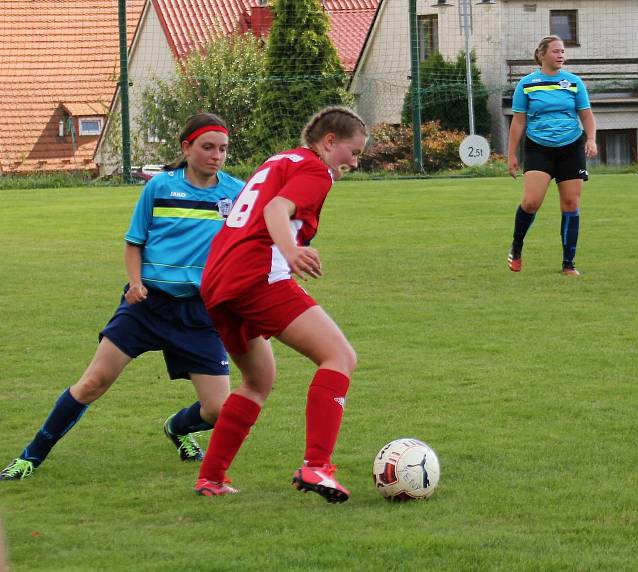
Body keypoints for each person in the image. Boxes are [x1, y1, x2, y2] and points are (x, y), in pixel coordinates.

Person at [0, 113, 244, 481]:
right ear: (186, 147)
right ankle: (29, 457)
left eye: (223, 149)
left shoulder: (236, 193)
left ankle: (178, 428)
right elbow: (135, 243)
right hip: (146, 305)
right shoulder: (160, 187)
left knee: (219, 409)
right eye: (208, 147)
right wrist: (135, 283)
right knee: (93, 382)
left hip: (199, 313)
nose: (216, 155)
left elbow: (253, 244)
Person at [192, 106, 368, 502]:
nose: (354, 162)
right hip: (256, 275)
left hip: (218, 280)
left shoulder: (280, 159)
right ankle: (317, 466)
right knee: (340, 356)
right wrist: (290, 251)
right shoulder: (315, 170)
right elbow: (275, 210)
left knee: (258, 381)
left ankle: (211, 478)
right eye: (352, 152)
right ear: (329, 142)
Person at [506, 35, 598, 275]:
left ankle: (569, 264)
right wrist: (511, 154)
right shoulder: (526, 84)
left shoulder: (574, 82)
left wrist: (591, 139)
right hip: (539, 148)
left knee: (570, 204)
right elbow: (518, 122)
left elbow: (586, 115)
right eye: (556, 51)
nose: (561, 55)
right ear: (542, 54)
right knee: (531, 202)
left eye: (563, 52)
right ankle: (517, 247)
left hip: (571, 148)